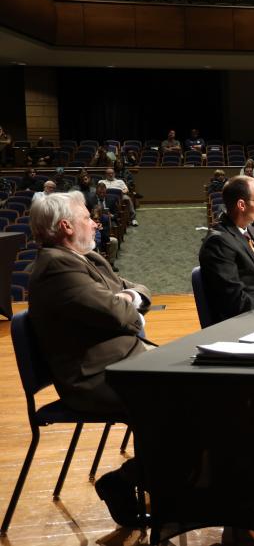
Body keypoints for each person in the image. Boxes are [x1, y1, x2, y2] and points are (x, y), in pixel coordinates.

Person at [28, 191, 152, 527]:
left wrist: (128, 299)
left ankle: (160, 478)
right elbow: (117, 314)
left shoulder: (88, 259)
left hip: (125, 362)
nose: (95, 222)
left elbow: (138, 290)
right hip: (94, 378)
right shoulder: (55, 267)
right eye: (87, 217)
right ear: (66, 226)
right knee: (183, 400)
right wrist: (129, 306)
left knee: (202, 390)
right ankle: (126, 482)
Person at [198, 175, 254, 324]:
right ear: (241, 205)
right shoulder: (218, 242)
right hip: (245, 322)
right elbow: (233, 300)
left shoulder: (249, 230)